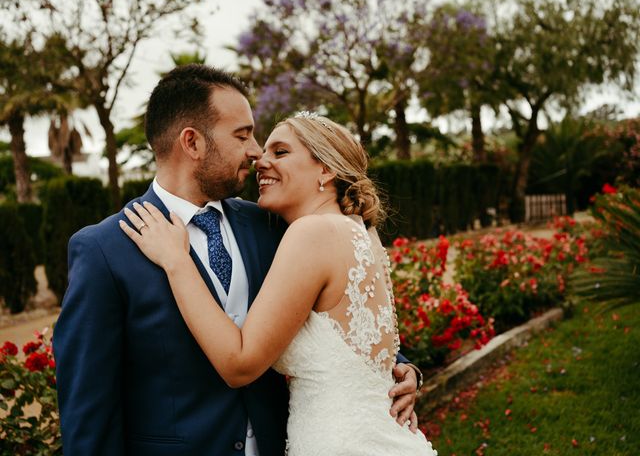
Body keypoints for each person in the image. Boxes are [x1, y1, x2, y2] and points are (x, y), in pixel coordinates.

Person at [53, 64, 421, 456]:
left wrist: (398, 370)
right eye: (242, 135)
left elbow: (335, 311)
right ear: (192, 143)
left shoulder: (271, 224)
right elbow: (88, 407)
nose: (256, 151)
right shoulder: (105, 249)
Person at [120, 110, 438, 455]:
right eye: (262, 148)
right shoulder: (356, 229)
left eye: (280, 152)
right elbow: (354, 340)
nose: (260, 159)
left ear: (327, 169)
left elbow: (240, 364)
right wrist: (402, 367)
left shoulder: (311, 233)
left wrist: (177, 262)